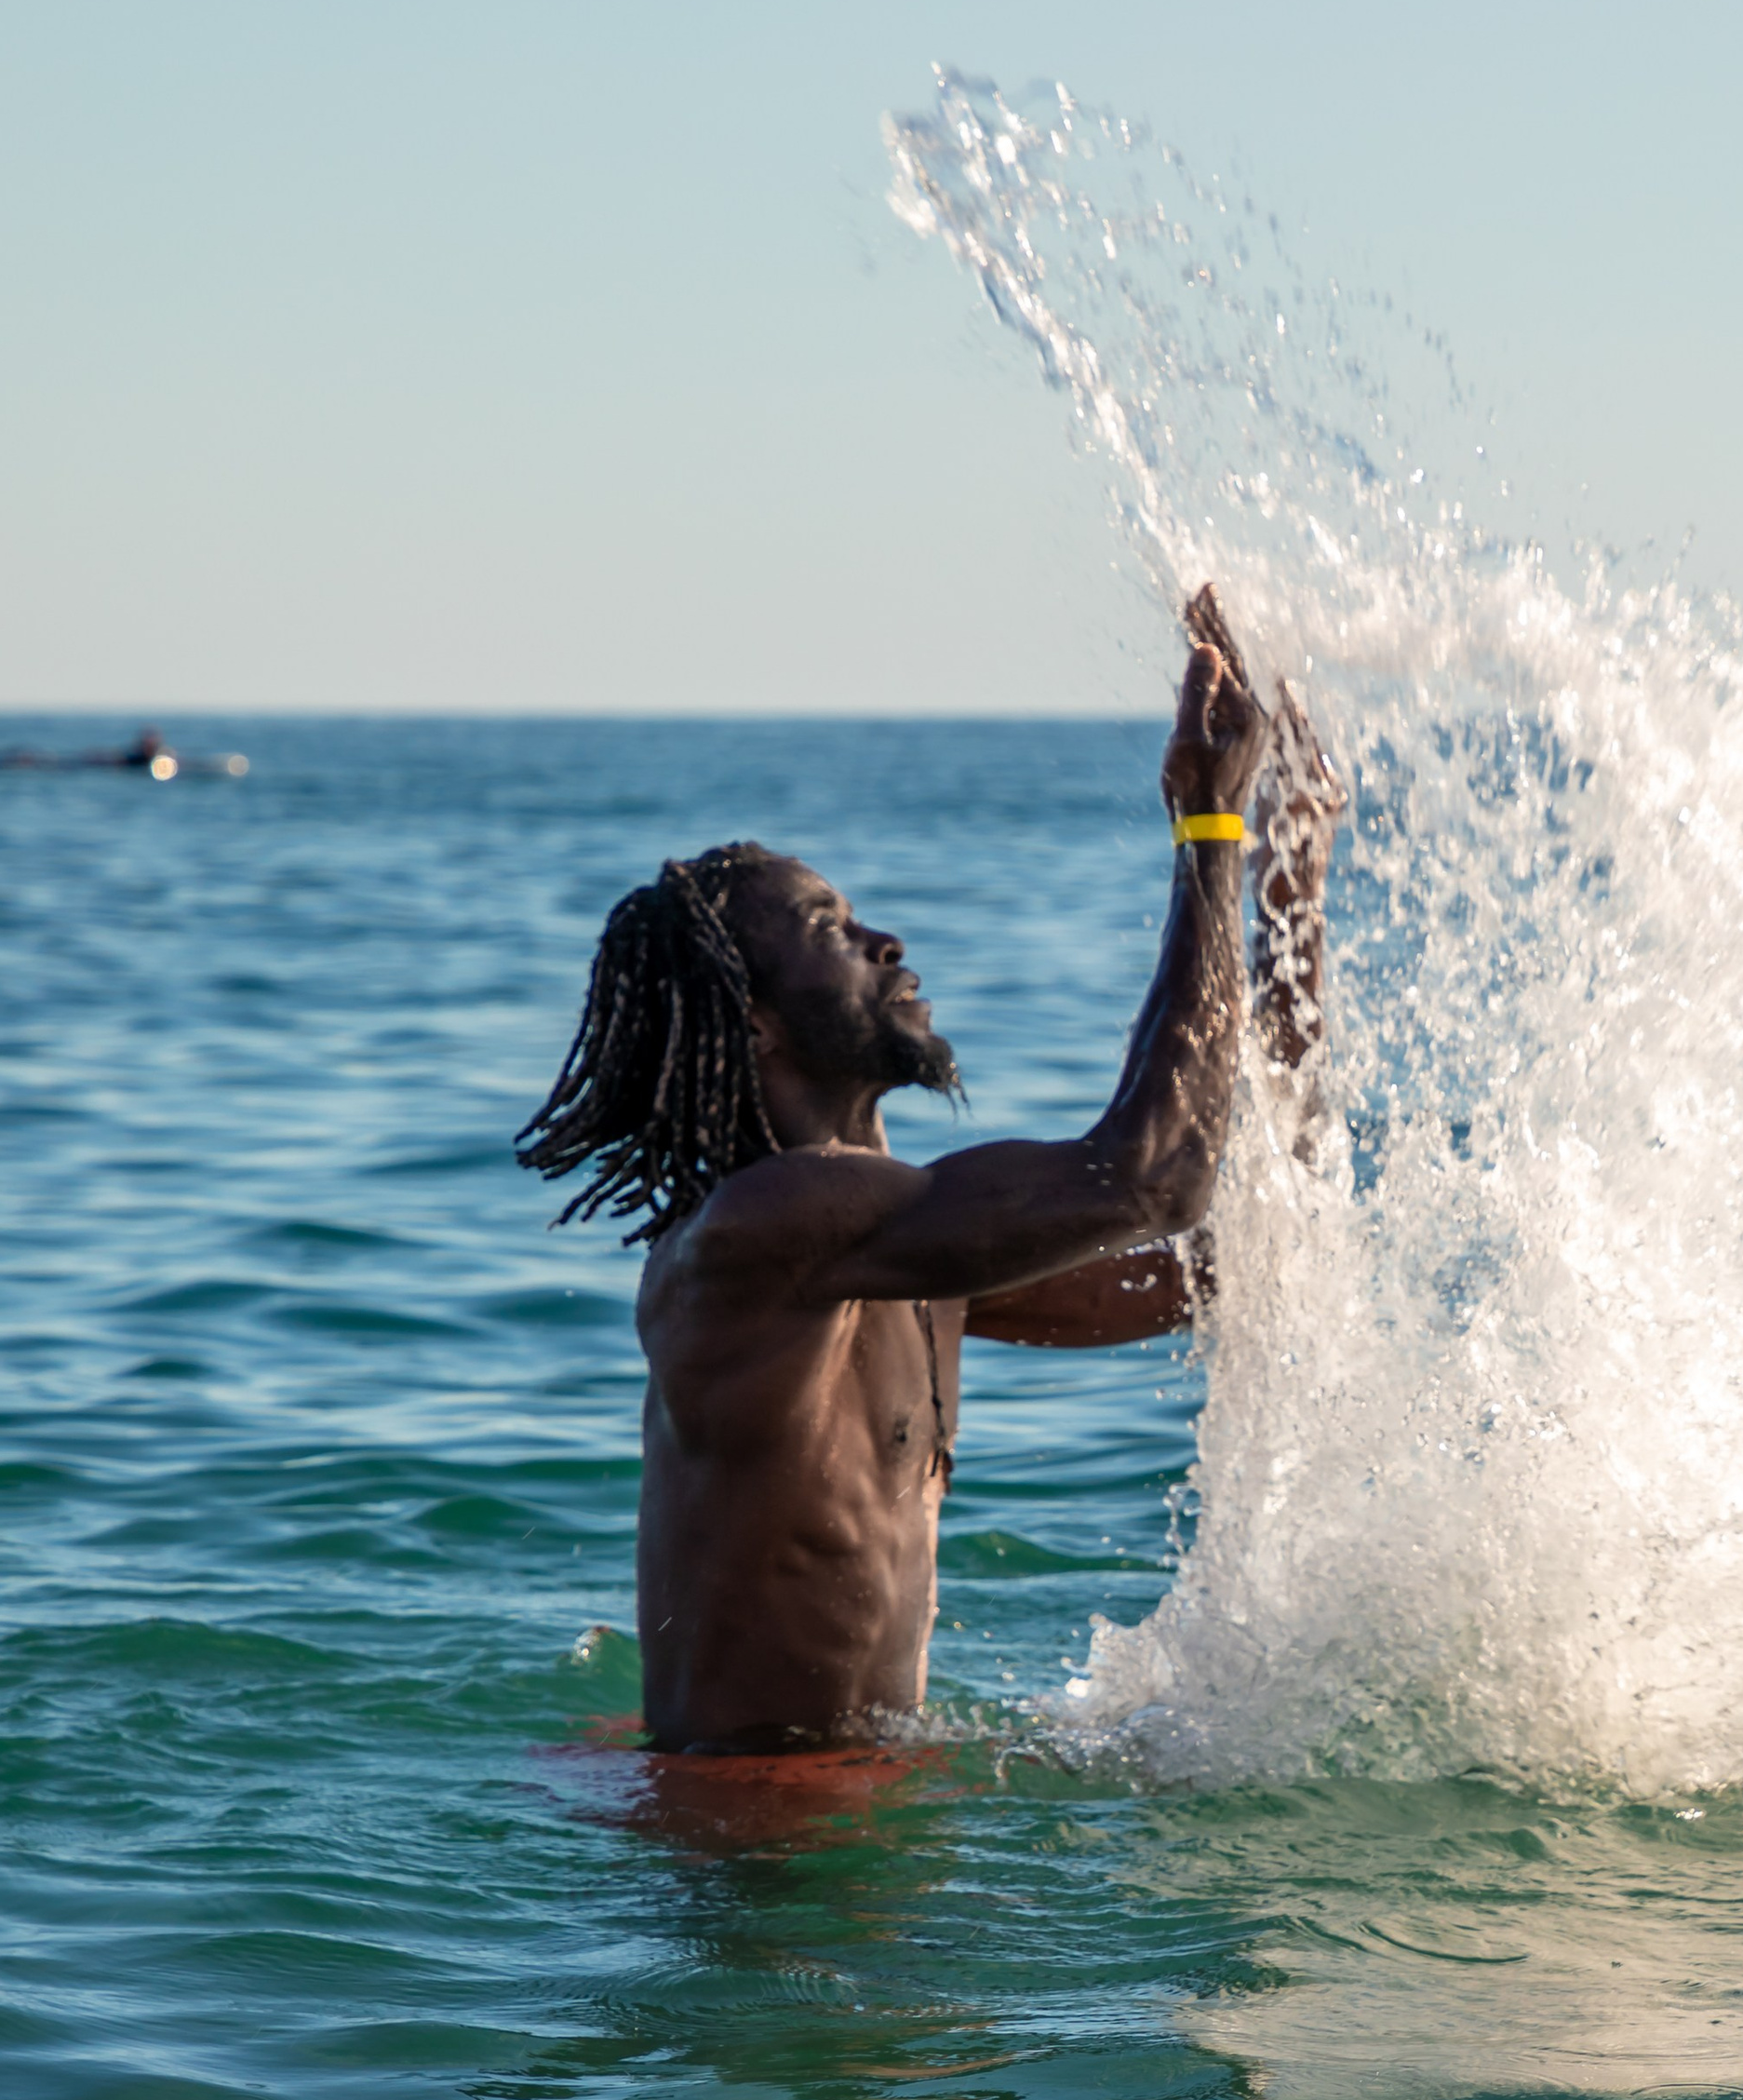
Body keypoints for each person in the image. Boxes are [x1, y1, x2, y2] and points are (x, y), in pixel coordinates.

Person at [517, 594, 1338, 1757]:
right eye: (828, 929)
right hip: (757, 1823)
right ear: (755, 1024)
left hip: (845, 1783)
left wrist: (1287, 893)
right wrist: (1207, 825)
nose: (884, 942)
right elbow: (1153, 1177)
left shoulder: (893, 1257)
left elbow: (1227, 1263)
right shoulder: (772, 1223)